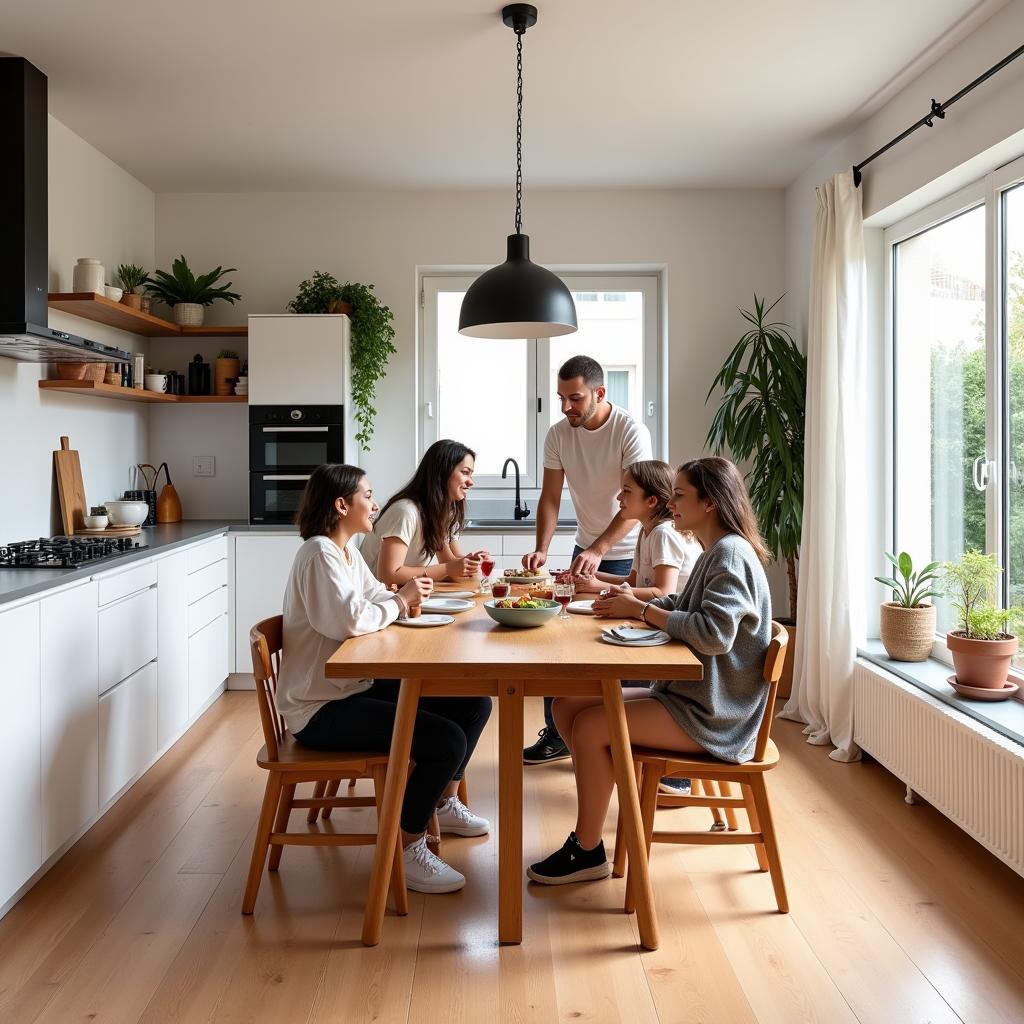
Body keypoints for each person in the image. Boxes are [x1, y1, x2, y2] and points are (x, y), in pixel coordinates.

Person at [527, 457, 772, 885]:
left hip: (714, 715)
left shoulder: (730, 554)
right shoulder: (720, 548)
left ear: (710, 503)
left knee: (589, 729)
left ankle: (587, 850)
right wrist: (641, 606)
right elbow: (688, 607)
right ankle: (600, 815)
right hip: (692, 697)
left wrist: (641, 608)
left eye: (680, 496)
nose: (672, 504)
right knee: (568, 706)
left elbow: (714, 635)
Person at [276, 463, 492, 894]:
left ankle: (442, 802)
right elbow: (349, 622)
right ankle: (408, 847)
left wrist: (406, 597)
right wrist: (402, 600)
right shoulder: (318, 553)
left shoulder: (346, 550)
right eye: (368, 496)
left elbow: (378, 595)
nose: (375, 504)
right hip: (320, 709)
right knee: (445, 740)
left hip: (349, 688)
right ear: (342, 505)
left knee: (473, 702)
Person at [522, 355, 653, 765]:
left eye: (574, 398)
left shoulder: (631, 431)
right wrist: (543, 547)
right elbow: (550, 497)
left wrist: (600, 550)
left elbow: (634, 505)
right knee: (558, 636)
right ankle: (558, 734)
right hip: (585, 550)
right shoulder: (559, 434)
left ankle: (628, 738)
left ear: (600, 393)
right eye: (561, 398)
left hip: (626, 553)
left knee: (624, 648)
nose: (566, 407)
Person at [360, 439, 492, 585]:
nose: (471, 482)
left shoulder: (442, 512)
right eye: (465, 473)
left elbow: (449, 562)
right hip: (374, 598)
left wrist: (471, 563)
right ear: (442, 472)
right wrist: (449, 569)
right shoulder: (405, 511)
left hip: (403, 593)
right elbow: (388, 576)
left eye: (471, 474)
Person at [573, 460, 701, 600]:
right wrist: (585, 574)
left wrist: (597, 586)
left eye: (626, 491)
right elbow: (633, 582)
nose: (619, 497)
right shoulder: (646, 531)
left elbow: (664, 592)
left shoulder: (663, 534)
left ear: (651, 501)